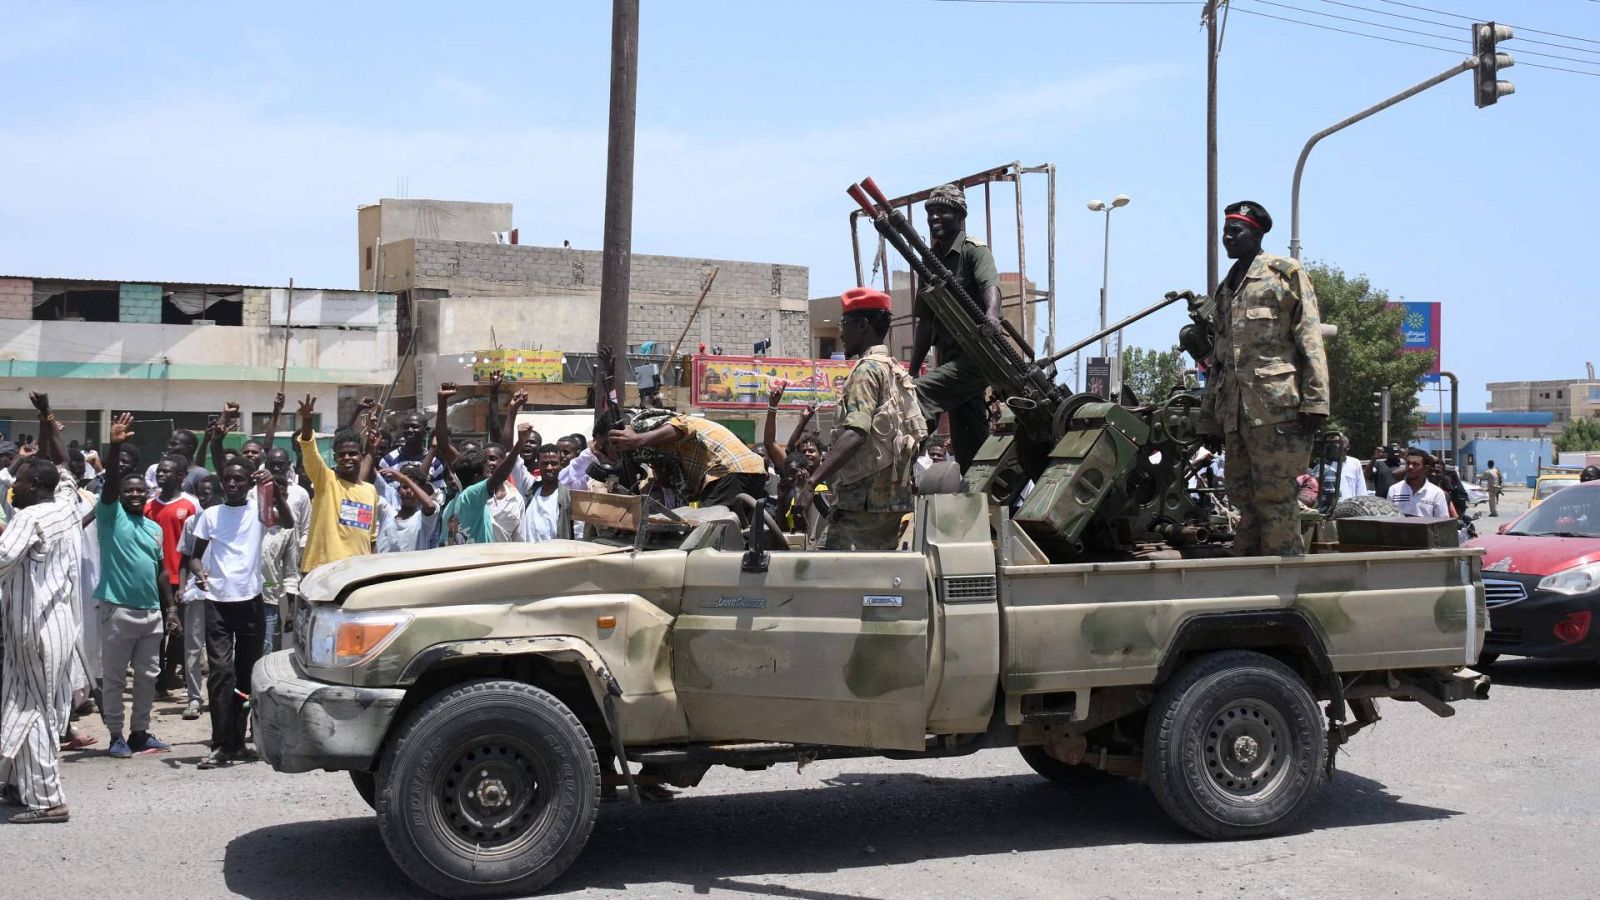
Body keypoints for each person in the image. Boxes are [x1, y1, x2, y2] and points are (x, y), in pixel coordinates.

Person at [1197, 200, 1330, 557]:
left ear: (1256, 234)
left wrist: (1316, 401)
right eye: (1224, 232)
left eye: (1235, 231)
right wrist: (1209, 416)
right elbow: (1221, 358)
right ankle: (1250, 577)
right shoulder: (1226, 288)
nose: (1227, 238)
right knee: (1243, 497)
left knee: (1275, 498)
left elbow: (1310, 338)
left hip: (1277, 410)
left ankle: (1285, 581)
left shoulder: (1283, 274)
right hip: (1237, 414)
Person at [800, 288, 927, 551]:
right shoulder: (893, 368)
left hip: (861, 504)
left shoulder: (867, 370)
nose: (842, 333)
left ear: (862, 325)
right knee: (873, 577)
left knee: (825, 574)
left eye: (844, 325)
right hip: (890, 501)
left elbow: (856, 432)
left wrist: (813, 481)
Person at [189, 461, 292, 769]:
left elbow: (287, 522)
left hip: (251, 601)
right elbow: (194, 557)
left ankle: (237, 743)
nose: (232, 483)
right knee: (221, 673)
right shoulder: (210, 515)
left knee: (246, 674)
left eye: (238, 479)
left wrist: (274, 491)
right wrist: (198, 573)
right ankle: (220, 743)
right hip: (218, 601)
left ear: (249, 484)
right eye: (228, 478)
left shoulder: (258, 512)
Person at [0, 455, 84, 823]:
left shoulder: (29, 518)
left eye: (17, 480)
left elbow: (3, 558)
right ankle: (22, 785)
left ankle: (48, 800)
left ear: (33, 486)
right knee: (24, 703)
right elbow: (65, 475)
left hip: (34, 630)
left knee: (33, 711)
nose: (11, 486)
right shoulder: (66, 507)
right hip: (60, 627)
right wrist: (47, 418)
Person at [909, 183, 1003, 472]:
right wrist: (911, 370)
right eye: (930, 212)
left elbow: (991, 286)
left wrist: (992, 315)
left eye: (942, 211)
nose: (934, 218)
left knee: (918, 395)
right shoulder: (929, 260)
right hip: (952, 359)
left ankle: (905, 460)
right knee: (969, 445)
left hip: (977, 356)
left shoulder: (974, 251)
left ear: (960, 215)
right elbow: (925, 321)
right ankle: (980, 498)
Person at [94, 414, 173, 759]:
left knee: (147, 678)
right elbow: (111, 485)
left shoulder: (154, 528)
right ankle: (115, 736)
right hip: (118, 610)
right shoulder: (111, 516)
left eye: (141, 490)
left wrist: (169, 608)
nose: (136, 494)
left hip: (151, 614)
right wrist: (116, 447)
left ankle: (139, 733)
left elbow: (159, 572)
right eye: (130, 490)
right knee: (114, 679)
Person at [294, 395, 378, 572]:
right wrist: (307, 421)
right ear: (335, 458)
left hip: (358, 573)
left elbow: (370, 539)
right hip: (322, 571)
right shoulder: (325, 480)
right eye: (342, 455)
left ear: (361, 456)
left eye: (352, 453)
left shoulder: (370, 491)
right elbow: (309, 449)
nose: (347, 458)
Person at [145, 453, 200, 712]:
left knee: (180, 633)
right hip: (154, 577)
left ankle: (170, 672)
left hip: (181, 579)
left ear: (181, 476)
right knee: (156, 632)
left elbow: (197, 544)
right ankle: (158, 680)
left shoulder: (191, 505)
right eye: (160, 471)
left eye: (167, 471)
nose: (162, 474)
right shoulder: (147, 506)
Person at [376, 463, 441, 553]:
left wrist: (404, 479)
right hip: (384, 566)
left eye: (413, 488)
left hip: (412, 567)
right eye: (405, 487)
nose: (409, 492)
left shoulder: (423, 520)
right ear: (399, 490)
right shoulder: (387, 512)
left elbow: (430, 506)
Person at [522, 445, 574, 543]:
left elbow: (577, 530)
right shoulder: (531, 491)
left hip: (554, 556)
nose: (549, 468)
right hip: (528, 554)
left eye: (554, 463)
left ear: (561, 465)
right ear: (538, 465)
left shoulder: (567, 496)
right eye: (545, 463)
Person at [1309, 435, 1369, 507]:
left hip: (1350, 508)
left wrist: (1362, 506)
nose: (1336, 449)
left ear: (1347, 447)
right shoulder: (1326, 465)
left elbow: (1361, 489)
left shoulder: (1355, 463)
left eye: (1340, 446)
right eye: (1334, 446)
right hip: (1330, 508)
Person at [1387, 449, 1450, 517]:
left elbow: (1442, 523)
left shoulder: (1436, 493)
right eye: (1408, 463)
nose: (1410, 467)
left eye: (1415, 464)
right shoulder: (1394, 489)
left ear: (1425, 468)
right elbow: (1388, 517)